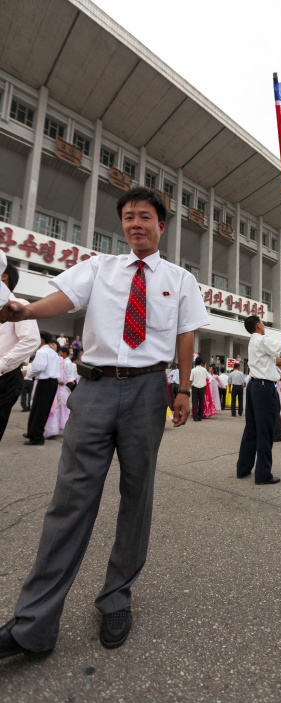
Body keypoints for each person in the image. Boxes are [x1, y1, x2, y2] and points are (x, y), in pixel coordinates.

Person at [0, 186, 209, 660]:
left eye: (145, 217)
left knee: (137, 496)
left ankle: (116, 596)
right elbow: (62, 299)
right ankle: (33, 625)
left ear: (162, 224)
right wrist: (27, 310)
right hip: (93, 391)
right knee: (70, 501)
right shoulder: (100, 267)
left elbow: (185, 334)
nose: (136, 223)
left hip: (148, 392)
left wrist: (181, 389)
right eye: (129, 217)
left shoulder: (180, 279)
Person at [236, 314, 281, 485]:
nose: (264, 325)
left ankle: (243, 468)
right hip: (265, 388)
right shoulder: (263, 339)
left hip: (254, 386)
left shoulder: (253, 341)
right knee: (265, 430)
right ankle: (263, 473)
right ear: (258, 325)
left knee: (251, 429)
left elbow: (275, 359)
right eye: (262, 323)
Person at [0, 261, 40, 440]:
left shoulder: (18, 304)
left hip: (4, 376)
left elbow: (31, 340)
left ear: (3, 276)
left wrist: (1, 364)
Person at [22, 332, 61, 445]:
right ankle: (32, 432)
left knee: (39, 409)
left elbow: (39, 367)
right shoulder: (53, 353)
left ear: (41, 340)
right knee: (40, 409)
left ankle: (37, 437)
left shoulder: (42, 351)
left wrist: (28, 374)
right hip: (51, 382)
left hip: (45, 382)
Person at [44, 343, 73, 438]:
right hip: (53, 386)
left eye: (54, 345)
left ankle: (59, 427)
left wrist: (63, 381)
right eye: (51, 345)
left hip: (60, 388)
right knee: (53, 409)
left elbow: (66, 374)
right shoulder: (51, 358)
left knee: (61, 408)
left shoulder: (62, 360)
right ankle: (51, 430)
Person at [189, 356, 208, 421]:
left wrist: (190, 386)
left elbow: (191, 379)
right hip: (202, 387)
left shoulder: (193, 370)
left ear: (195, 362)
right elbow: (206, 377)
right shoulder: (204, 370)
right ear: (201, 363)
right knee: (201, 402)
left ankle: (195, 417)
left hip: (195, 387)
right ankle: (200, 417)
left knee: (194, 403)